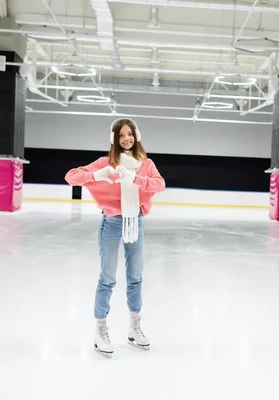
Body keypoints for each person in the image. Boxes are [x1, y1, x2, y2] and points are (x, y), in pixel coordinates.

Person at [64, 118, 165, 357]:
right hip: (111, 223)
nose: (126, 139)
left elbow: (159, 184)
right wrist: (97, 175)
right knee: (107, 278)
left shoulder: (145, 164)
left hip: (135, 222)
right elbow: (71, 176)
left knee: (135, 277)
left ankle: (134, 327)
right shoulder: (105, 163)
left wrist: (136, 179)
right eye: (121, 135)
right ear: (114, 140)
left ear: (136, 135)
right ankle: (101, 329)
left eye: (130, 134)